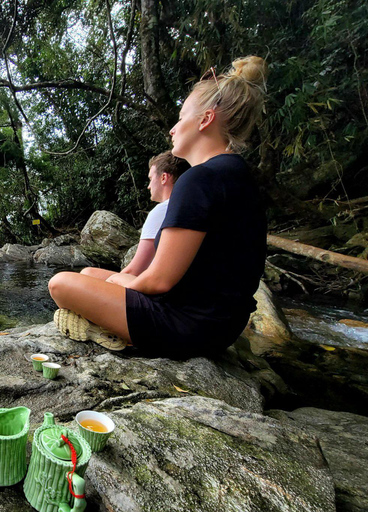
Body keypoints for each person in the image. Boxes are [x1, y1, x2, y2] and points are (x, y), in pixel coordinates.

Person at [49, 56, 268, 359]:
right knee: (89, 273)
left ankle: (109, 332)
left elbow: (159, 281)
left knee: (61, 284)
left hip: (187, 328)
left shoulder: (199, 179)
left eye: (180, 118)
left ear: (205, 119)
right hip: (220, 326)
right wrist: (120, 281)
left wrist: (120, 280)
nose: (173, 129)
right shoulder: (238, 175)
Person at [80, 151, 189, 283]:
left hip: (155, 289)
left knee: (86, 274)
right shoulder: (188, 205)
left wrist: (110, 285)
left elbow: (135, 270)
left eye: (150, 179)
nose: (148, 186)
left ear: (164, 178)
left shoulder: (162, 210)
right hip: (176, 284)